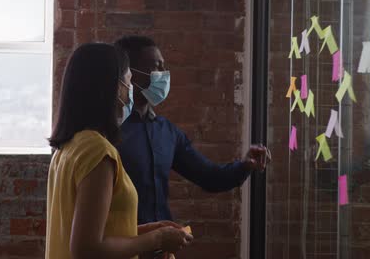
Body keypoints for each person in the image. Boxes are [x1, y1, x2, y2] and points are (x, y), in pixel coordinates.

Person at [45, 43, 193, 259]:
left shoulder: (70, 147)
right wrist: (158, 239)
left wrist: (152, 230)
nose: (131, 89)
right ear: (114, 88)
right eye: (129, 81)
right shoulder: (98, 152)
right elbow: (87, 249)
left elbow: (101, 231)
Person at [114, 36, 272, 226]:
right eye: (157, 67)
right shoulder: (110, 132)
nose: (164, 74)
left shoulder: (167, 132)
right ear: (131, 74)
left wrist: (245, 165)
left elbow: (208, 176)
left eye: (164, 67)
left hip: (162, 250)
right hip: (122, 247)